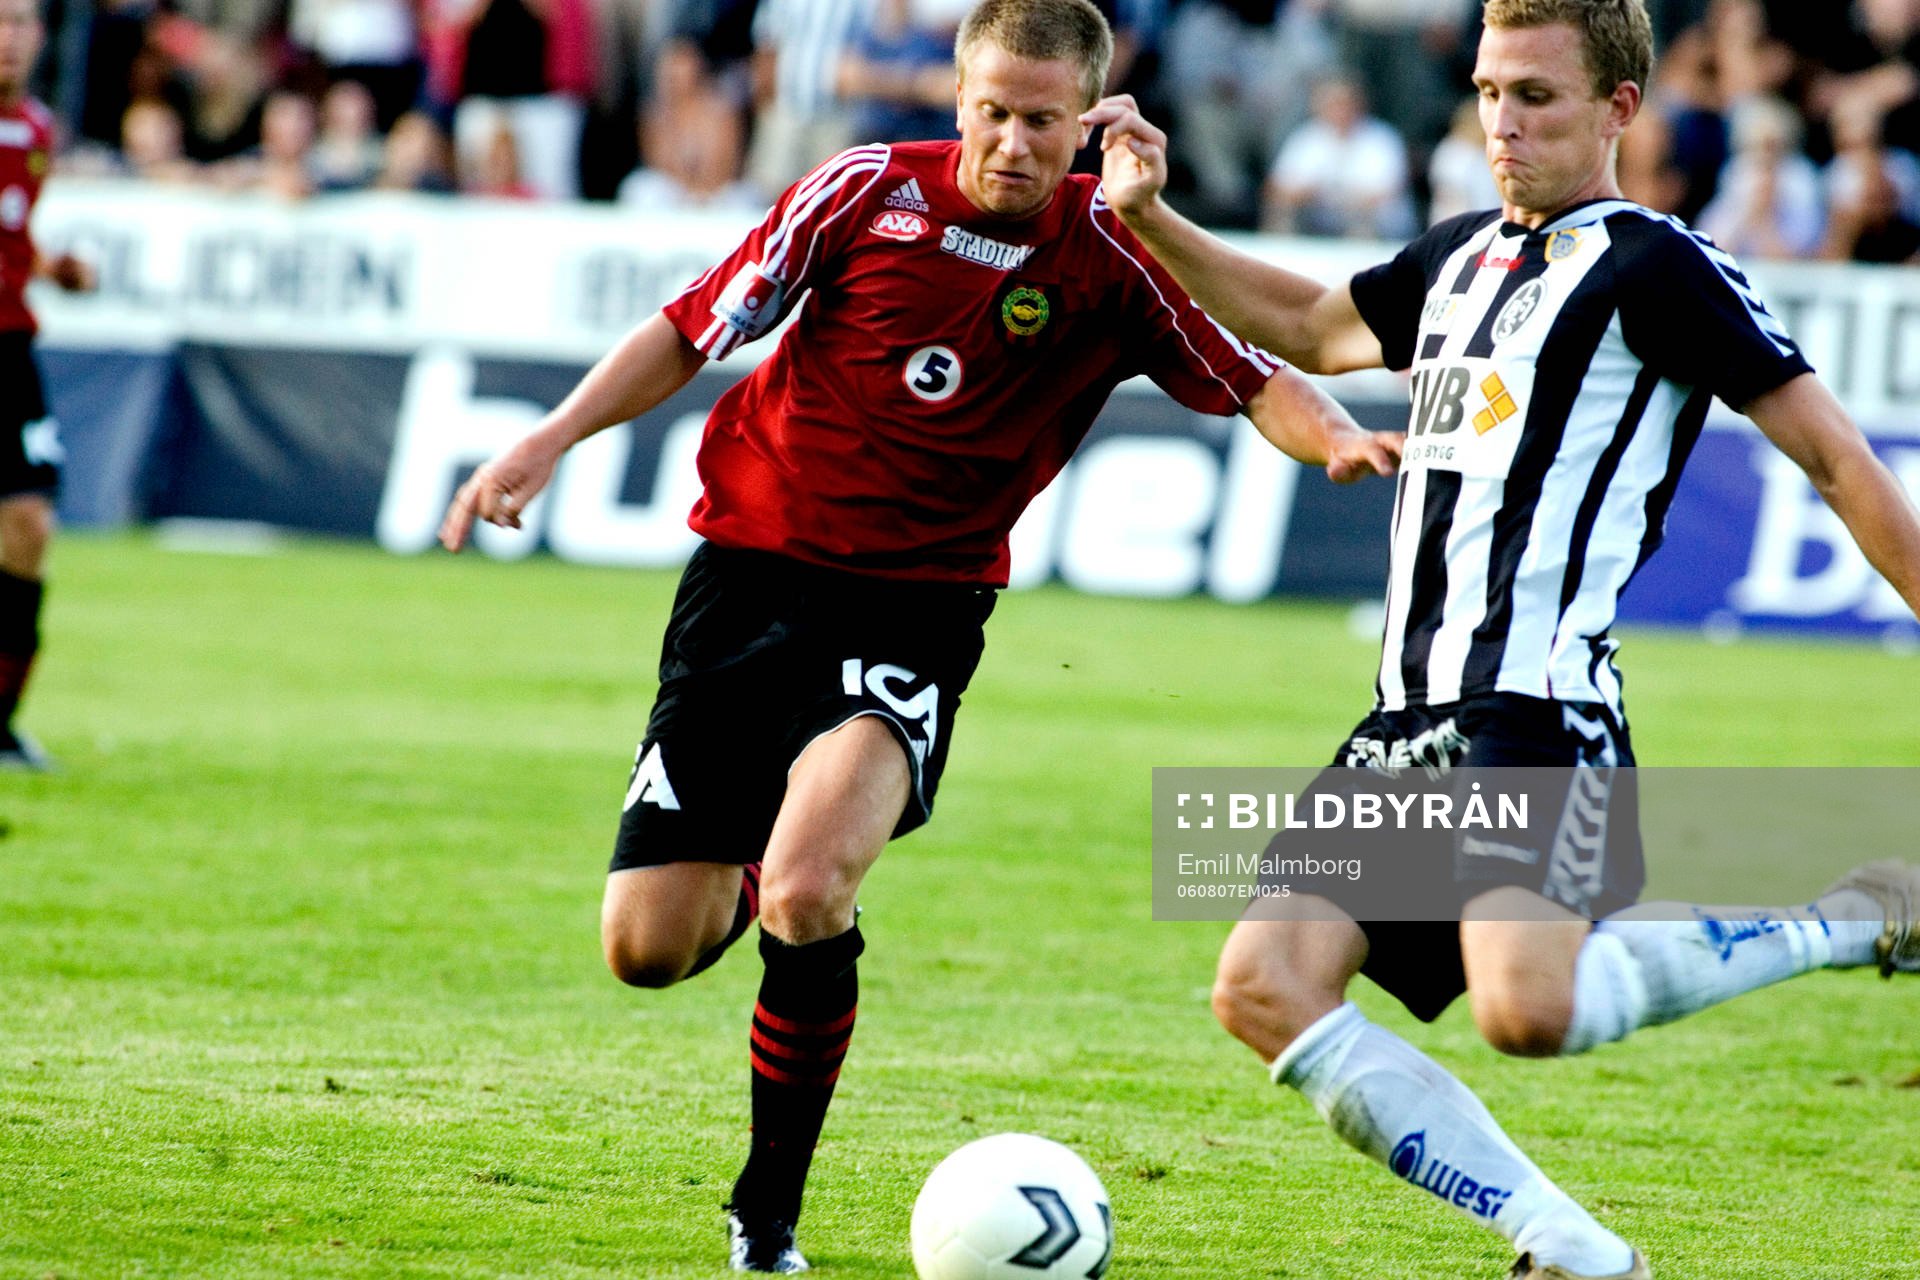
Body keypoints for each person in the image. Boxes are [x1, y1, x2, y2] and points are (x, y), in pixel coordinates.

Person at [438, 0, 1400, 1271]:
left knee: (808, 883)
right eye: (993, 112)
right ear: (960, 100)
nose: (1012, 142)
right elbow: (691, 328)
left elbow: (1262, 373)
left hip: (915, 611)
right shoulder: (858, 194)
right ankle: (745, 869)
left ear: (1090, 119)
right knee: (645, 950)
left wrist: (1333, 434)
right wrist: (548, 436)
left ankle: (765, 1215)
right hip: (744, 585)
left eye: (1042, 120)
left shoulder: (1118, 253)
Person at [1085, 0, 1920, 1276]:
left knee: (1528, 1011)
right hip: (1402, 723)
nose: (1502, 122)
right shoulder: (1458, 257)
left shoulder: (1656, 266)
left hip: (1534, 707)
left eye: (1535, 95)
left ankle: (1856, 913)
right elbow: (1313, 327)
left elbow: (1836, 456)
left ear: (1618, 110)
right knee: (1262, 987)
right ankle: (1564, 1240)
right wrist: (1149, 216)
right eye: (1487, 91)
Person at [0, 0, 95, 771]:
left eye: (23, 22)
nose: (9, 38)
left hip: (11, 352)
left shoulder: (35, 131)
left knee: (29, 528)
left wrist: (52, 266)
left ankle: (1, 721)